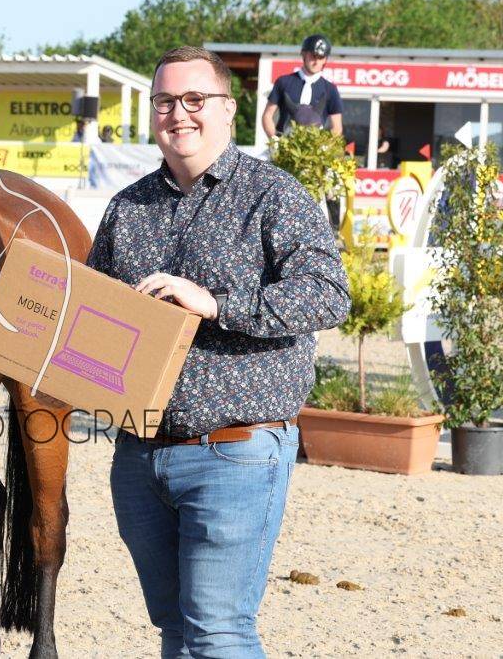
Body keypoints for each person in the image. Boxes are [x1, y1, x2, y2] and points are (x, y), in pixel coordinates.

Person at [88, 46, 350, 657]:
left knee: (218, 631)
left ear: (229, 110)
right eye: (164, 101)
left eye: (194, 99)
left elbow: (328, 295)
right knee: (177, 630)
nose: (178, 114)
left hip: (235, 451)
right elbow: (94, 317)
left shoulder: (273, 196)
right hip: (140, 459)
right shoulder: (128, 208)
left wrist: (214, 302)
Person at [262, 34, 343, 138]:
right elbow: (267, 115)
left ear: (325, 59)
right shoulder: (283, 82)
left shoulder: (330, 89)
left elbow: (337, 127)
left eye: (321, 57)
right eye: (313, 56)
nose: (316, 62)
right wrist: (275, 140)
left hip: (316, 145)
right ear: (304, 54)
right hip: (283, 143)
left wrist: (325, 145)